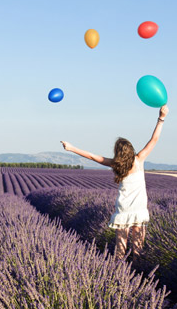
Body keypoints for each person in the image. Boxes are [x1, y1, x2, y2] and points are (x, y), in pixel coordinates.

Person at [61, 106, 168, 259]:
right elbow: (154, 140)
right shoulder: (139, 160)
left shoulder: (115, 164)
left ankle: (120, 274)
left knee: (120, 248)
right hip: (139, 208)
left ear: (118, 153)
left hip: (123, 209)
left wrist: (71, 148)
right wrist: (161, 118)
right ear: (131, 150)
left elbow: (92, 156)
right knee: (138, 248)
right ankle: (138, 274)